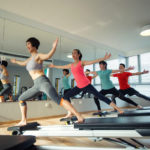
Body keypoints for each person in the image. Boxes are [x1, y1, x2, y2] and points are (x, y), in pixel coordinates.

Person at [11, 37, 84, 126]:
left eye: (29, 44)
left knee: (58, 100)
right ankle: (23, 120)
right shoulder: (29, 59)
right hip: (36, 85)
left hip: (42, 82)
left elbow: (48, 56)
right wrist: (15, 61)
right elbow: (22, 63)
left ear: (34, 45)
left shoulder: (38, 56)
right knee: (21, 99)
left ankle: (79, 116)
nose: (27, 46)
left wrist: (53, 48)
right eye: (26, 45)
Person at [49, 49, 124, 118]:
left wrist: (103, 58)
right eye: (72, 53)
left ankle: (118, 109)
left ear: (79, 55)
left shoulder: (82, 62)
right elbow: (62, 67)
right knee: (65, 97)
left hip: (87, 85)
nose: (73, 54)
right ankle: (70, 112)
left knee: (101, 97)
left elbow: (93, 61)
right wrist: (54, 66)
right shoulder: (71, 65)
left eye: (75, 53)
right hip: (79, 86)